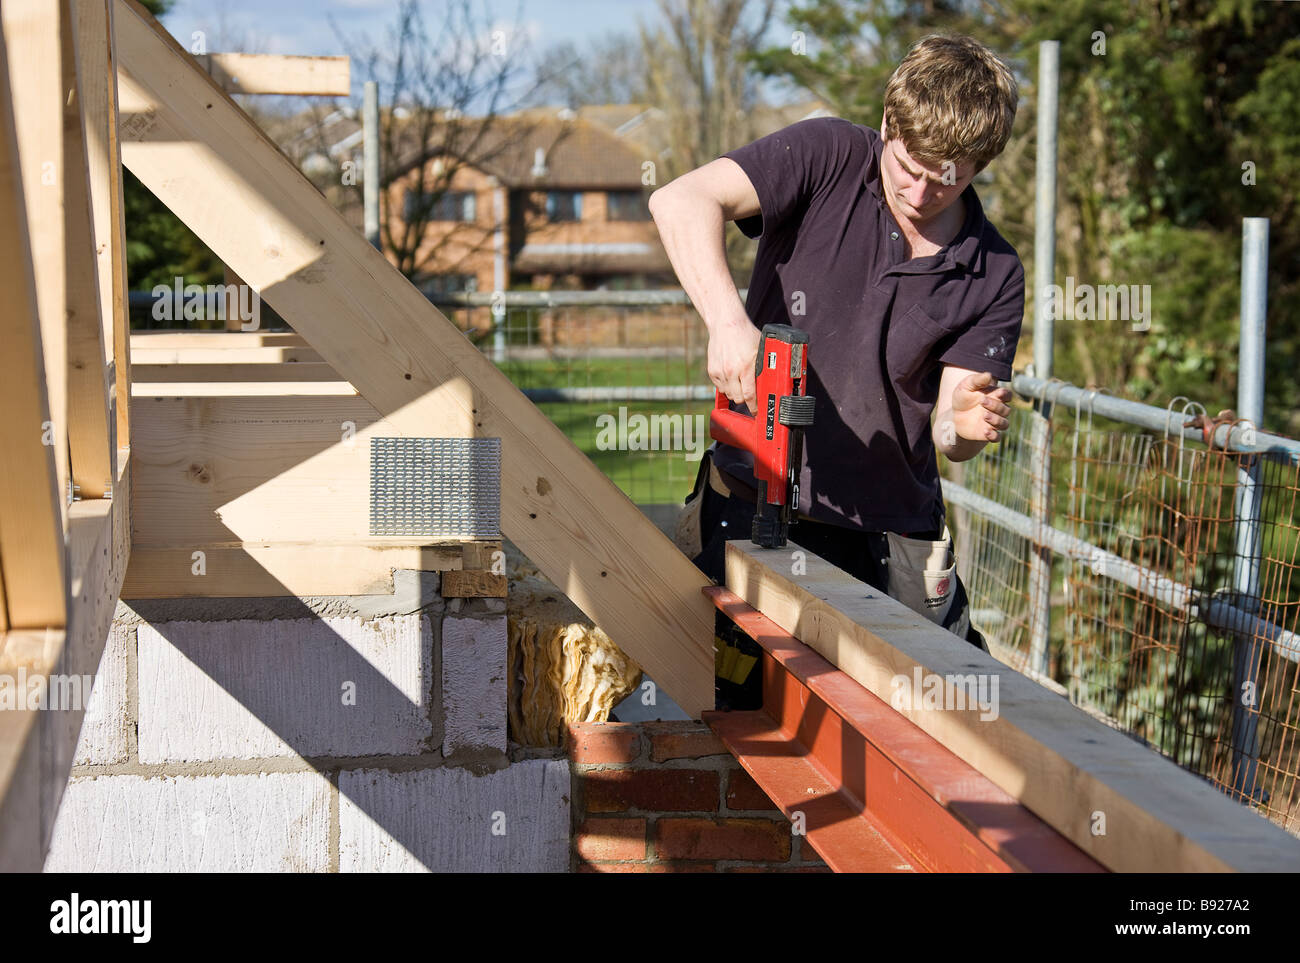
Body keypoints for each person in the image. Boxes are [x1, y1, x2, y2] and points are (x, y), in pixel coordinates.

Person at [649, 35, 1024, 706]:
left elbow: (949, 431)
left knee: (934, 721)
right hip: (752, 502)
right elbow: (679, 201)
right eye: (909, 165)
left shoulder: (993, 271)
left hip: (888, 535)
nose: (921, 189)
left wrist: (964, 425)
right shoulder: (826, 157)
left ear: (980, 166)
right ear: (887, 122)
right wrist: (728, 323)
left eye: (949, 175)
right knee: (716, 710)